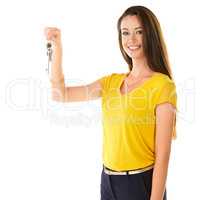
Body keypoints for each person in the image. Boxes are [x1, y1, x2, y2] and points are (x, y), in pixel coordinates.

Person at [44, 5, 177, 200]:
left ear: (150, 35)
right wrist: (57, 48)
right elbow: (60, 94)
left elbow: (163, 156)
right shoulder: (110, 83)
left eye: (138, 32)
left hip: (141, 183)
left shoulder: (163, 86)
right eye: (125, 33)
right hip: (108, 181)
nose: (131, 39)